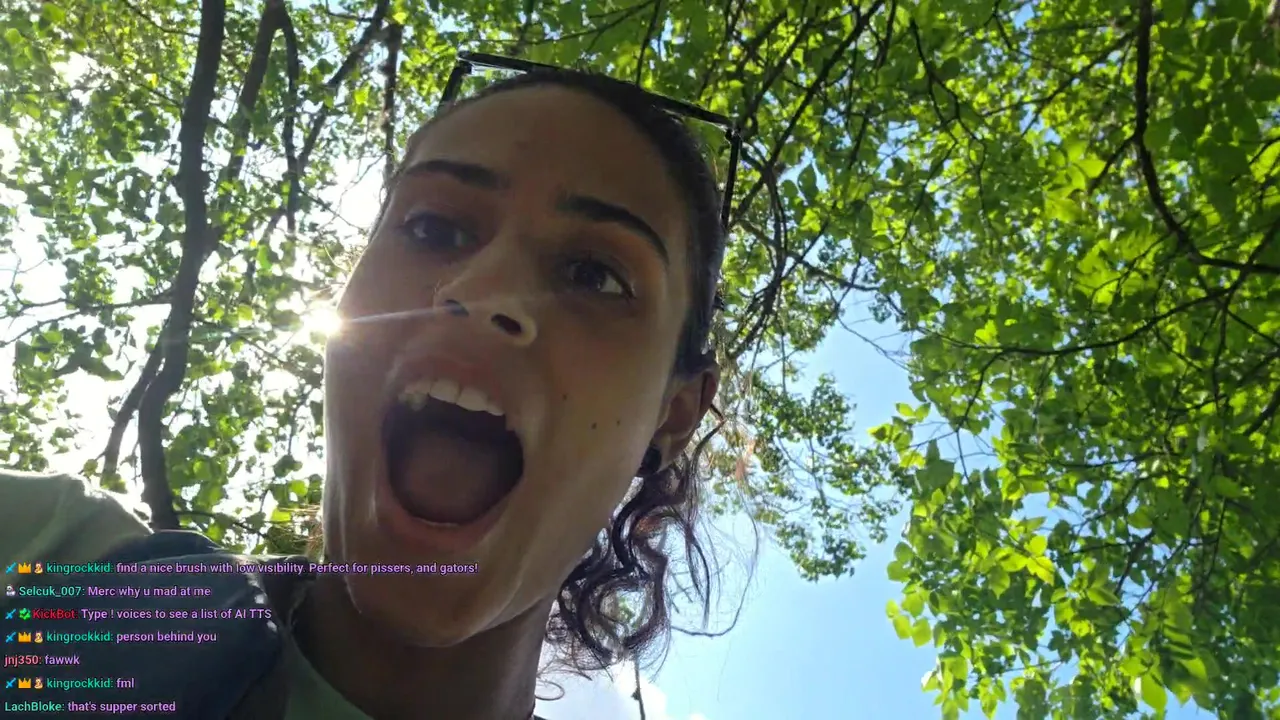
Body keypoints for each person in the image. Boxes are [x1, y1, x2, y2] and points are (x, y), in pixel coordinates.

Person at [0, 63, 729, 720]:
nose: (481, 294)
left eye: (594, 275)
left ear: (672, 415)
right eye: (432, 227)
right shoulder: (47, 562)